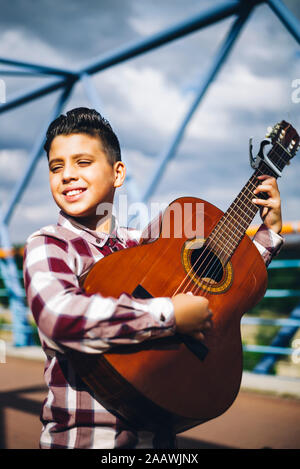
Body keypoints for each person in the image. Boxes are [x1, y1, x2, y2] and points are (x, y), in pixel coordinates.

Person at [23, 107, 284, 449]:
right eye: (57, 167)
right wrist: (170, 316)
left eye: (82, 162)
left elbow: (222, 284)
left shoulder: (146, 241)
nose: (67, 175)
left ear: (118, 174)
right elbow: (59, 317)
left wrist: (270, 232)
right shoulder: (49, 243)